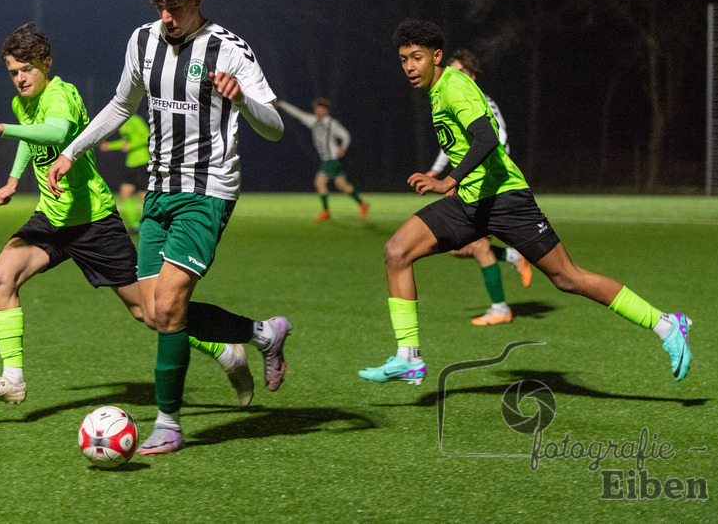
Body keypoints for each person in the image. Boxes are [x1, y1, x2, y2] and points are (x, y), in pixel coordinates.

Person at [47, 0, 291, 455]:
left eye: (175, 6)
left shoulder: (229, 50)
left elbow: (276, 127)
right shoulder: (142, 41)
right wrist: (72, 150)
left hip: (208, 190)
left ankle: (168, 424)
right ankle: (262, 333)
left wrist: (242, 99)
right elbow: (120, 104)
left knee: (173, 301)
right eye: (159, 5)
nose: (166, 16)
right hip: (159, 191)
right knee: (156, 312)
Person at [359, 20, 692, 385]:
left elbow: (486, 139)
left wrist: (447, 181)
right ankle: (409, 358)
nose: (409, 66)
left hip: (506, 199)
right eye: (404, 58)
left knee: (568, 278)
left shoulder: (454, 87)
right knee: (397, 252)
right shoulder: (436, 91)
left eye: (416, 58)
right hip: (472, 201)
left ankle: (667, 325)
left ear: (436, 57)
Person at [0, 22, 264, 408]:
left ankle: (226, 351)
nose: (20, 79)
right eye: (14, 73)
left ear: (46, 64)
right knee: (2, 276)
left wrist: (0, 128)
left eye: (27, 70)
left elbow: (55, 133)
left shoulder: (60, 96)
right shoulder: (24, 102)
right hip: (52, 219)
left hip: (93, 222)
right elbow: (28, 135)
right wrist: (12, 179)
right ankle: (12, 380)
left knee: (149, 312)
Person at [424, 48, 532, 326]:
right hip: (473, 181)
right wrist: (438, 171)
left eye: (461, 72)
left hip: (489, 183)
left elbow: (496, 139)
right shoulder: (452, 98)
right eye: (452, 72)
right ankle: (513, 255)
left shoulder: (483, 100)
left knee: (477, 246)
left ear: (472, 75)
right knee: (458, 248)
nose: (454, 77)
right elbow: (450, 142)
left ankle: (500, 308)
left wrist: (460, 180)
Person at [277, 97, 369, 221]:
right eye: (316, 108)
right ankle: (362, 204)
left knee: (319, 182)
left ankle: (326, 211)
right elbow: (298, 114)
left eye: (321, 108)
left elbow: (345, 135)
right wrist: (282, 104)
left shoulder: (331, 123)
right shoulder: (313, 121)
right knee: (341, 184)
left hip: (332, 159)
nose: (318, 111)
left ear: (326, 110)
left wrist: (343, 148)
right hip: (327, 160)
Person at [98, 113, 150, 234]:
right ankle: (134, 225)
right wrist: (110, 146)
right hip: (130, 164)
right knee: (125, 193)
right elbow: (125, 143)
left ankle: (148, 225)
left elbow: (147, 137)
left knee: (144, 196)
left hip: (141, 162)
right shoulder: (122, 124)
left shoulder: (136, 120)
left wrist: (131, 145)